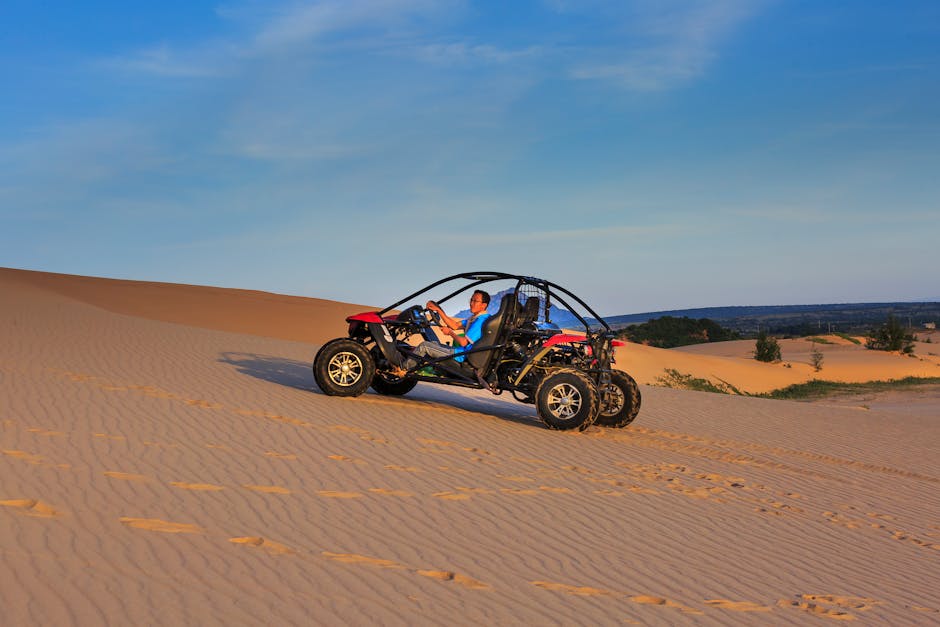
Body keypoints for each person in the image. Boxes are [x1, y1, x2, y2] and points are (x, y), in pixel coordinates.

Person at [395, 290, 491, 374]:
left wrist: (450, 333)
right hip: (461, 352)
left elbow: (463, 342)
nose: (471, 303)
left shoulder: (481, 320)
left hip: (461, 355)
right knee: (433, 343)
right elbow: (454, 325)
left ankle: (402, 370)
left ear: (484, 305)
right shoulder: (475, 318)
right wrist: (439, 311)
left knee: (424, 346)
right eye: (471, 300)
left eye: (475, 301)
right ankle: (415, 368)